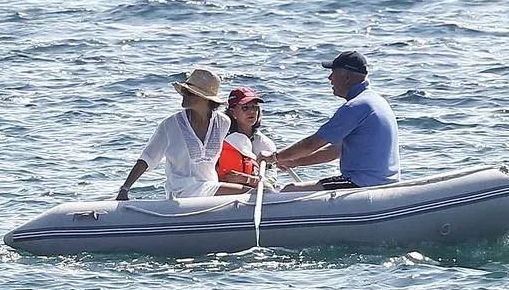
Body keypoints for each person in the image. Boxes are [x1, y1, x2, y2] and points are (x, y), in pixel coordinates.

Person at [258, 51, 400, 192]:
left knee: (290, 190)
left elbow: (312, 144)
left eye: (333, 72)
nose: (330, 78)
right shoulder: (377, 100)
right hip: (384, 182)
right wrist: (294, 161)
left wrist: (275, 157)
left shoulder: (355, 107)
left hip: (362, 184)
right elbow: (333, 151)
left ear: (346, 76)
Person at [116, 69, 252, 200]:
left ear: (205, 99)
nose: (184, 95)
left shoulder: (223, 122)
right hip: (181, 191)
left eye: (190, 93)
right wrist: (125, 189)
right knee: (254, 193)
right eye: (185, 91)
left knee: (262, 192)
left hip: (210, 187)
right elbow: (146, 159)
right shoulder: (169, 125)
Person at [216, 87, 277, 188]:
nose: (252, 112)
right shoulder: (219, 138)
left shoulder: (265, 144)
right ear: (232, 112)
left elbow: (270, 182)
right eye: (245, 108)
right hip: (221, 192)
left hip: (252, 194)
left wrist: (247, 179)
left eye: (255, 107)